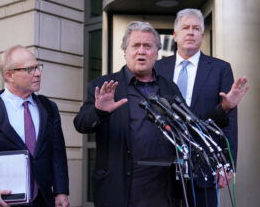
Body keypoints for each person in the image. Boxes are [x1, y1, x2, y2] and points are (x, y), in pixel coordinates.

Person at [74, 21, 247, 207]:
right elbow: (81, 123)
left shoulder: (168, 87)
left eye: (148, 46)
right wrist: (99, 111)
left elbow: (192, 126)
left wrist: (224, 107)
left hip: (163, 189)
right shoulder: (105, 86)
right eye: (135, 46)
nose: (141, 51)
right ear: (125, 51)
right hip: (121, 188)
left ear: (157, 53)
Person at [154, 8, 244, 207]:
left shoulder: (220, 68)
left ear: (202, 36)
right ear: (175, 35)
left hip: (205, 165)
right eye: (185, 27)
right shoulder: (158, 69)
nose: (191, 32)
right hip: (164, 166)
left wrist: (227, 164)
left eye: (196, 28)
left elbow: (229, 122)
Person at [0, 46, 70, 207]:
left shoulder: (48, 107)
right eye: (29, 69)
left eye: (38, 67)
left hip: (43, 201)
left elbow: (57, 153)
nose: (38, 73)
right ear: (9, 75)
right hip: (3, 202)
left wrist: (61, 191)